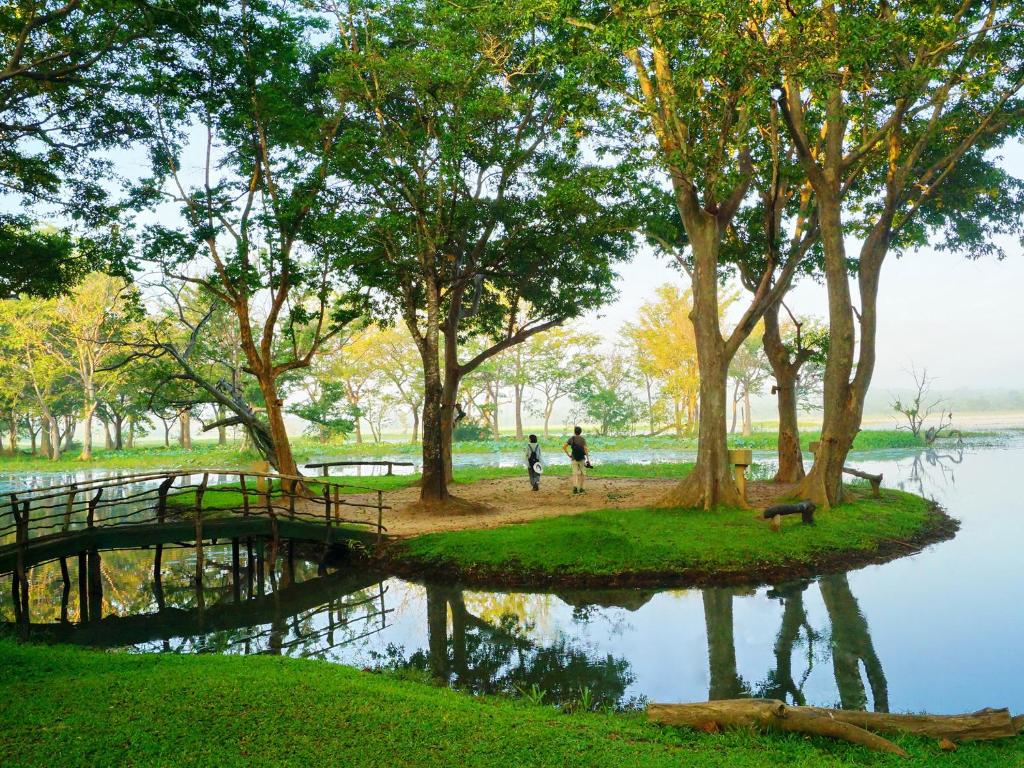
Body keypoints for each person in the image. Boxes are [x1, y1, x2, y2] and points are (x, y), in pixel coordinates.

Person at [562, 426, 589, 495]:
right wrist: (588, 459)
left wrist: (568, 454)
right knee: (583, 473)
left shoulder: (572, 438)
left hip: (574, 458)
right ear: (581, 432)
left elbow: (564, 447)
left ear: (574, 431)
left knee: (575, 474)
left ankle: (575, 488)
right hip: (582, 458)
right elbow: (586, 449)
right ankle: (582, 489)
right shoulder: (582, 439)